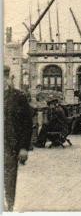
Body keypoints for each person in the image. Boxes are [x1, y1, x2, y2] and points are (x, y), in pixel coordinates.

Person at [4, 65, 33, 211]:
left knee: (9, 179)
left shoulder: (18, 97)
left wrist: (23, 148)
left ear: (8, 78)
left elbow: (27, 124)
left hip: (10, 146)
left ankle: (9, 207)